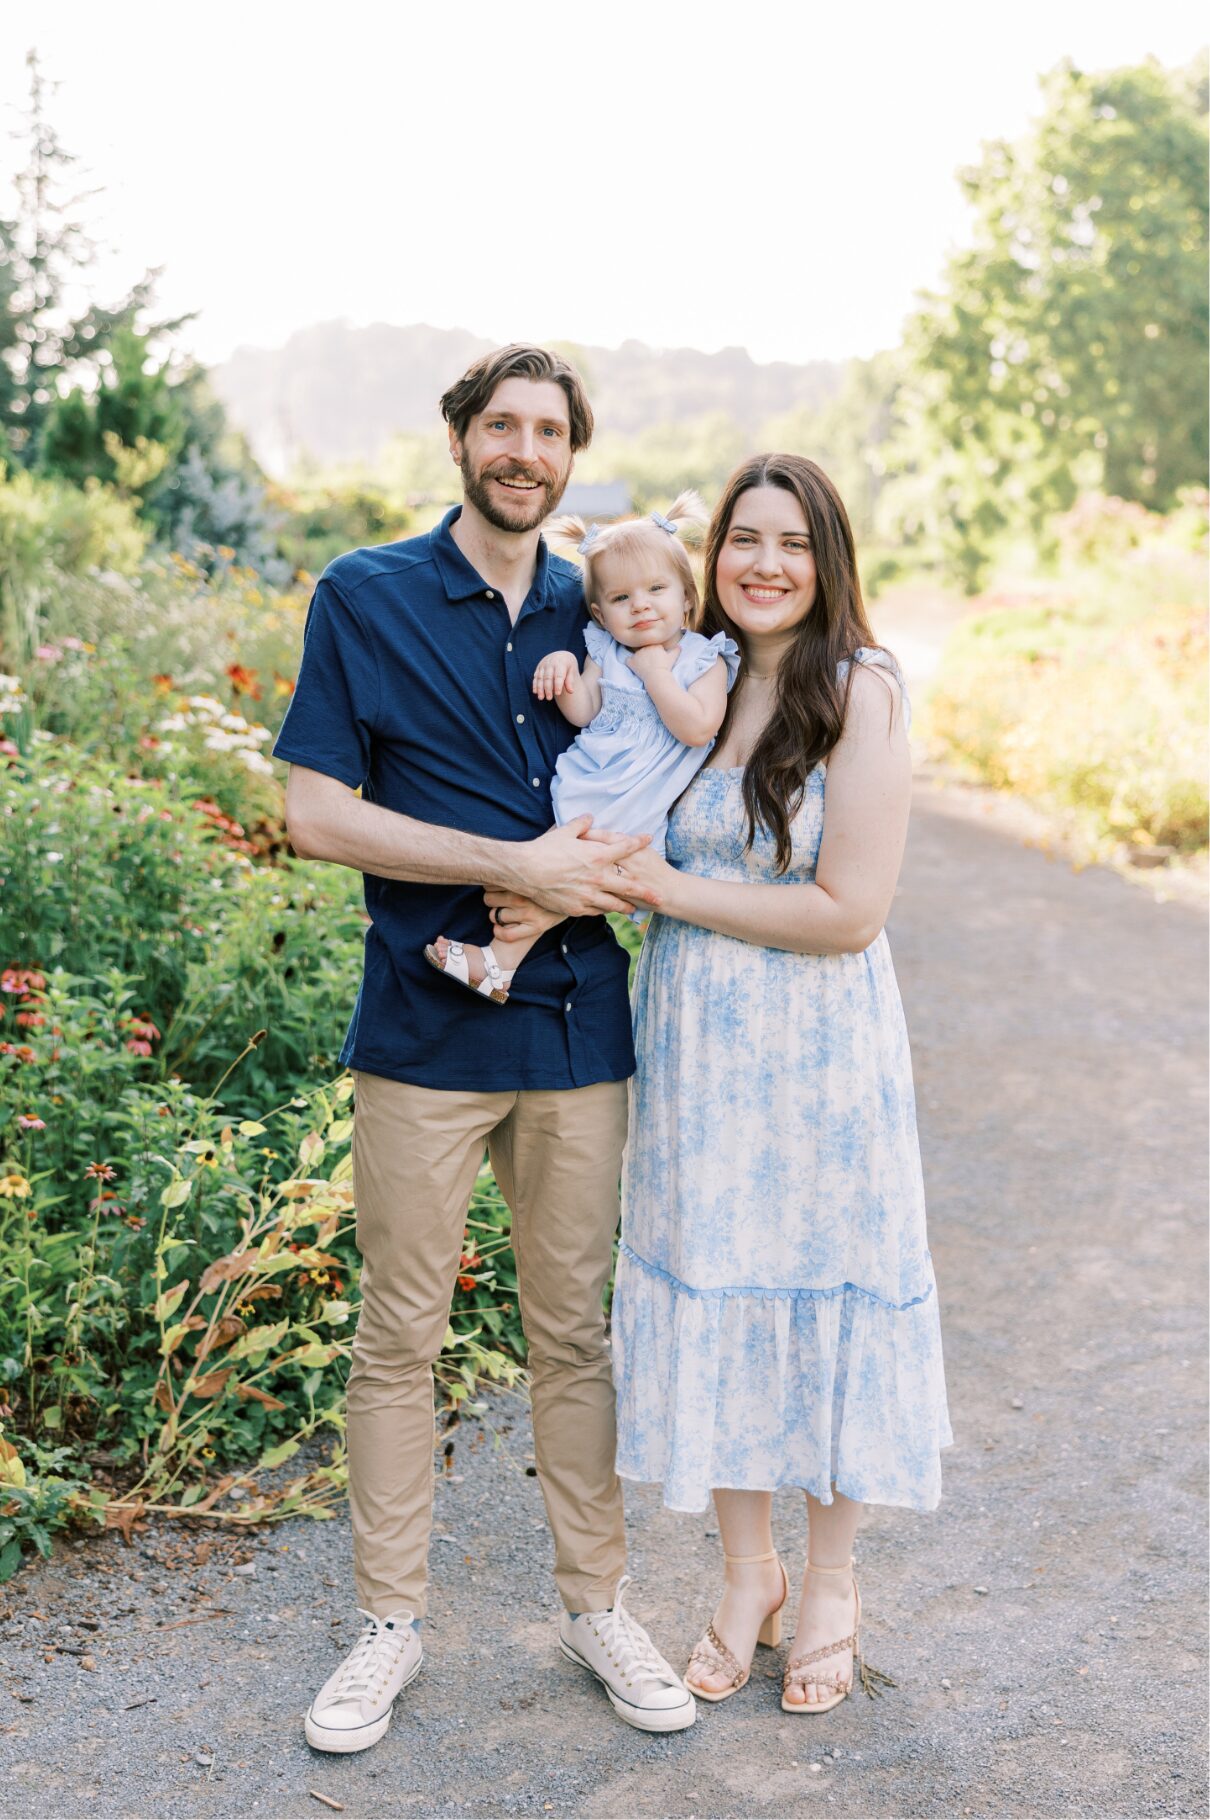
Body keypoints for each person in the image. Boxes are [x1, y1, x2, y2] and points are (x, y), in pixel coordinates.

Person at [274, 343, 697, 1752]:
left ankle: (599, 1606)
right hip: (422, 1025)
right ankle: (389, 1625)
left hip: (579, 1028)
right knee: (399, 1336)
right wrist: (507, 858)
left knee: (573, 1335)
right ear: (459, 439)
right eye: (502, 426)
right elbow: (316, 814)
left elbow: (716, 736)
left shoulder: (613, 604)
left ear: (571, 457)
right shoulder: (367, 596)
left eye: (550, 431)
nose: (525, 450)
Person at [603, 452, 952, 1713]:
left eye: (792, 543)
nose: (762, 563)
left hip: (818, 1051)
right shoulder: (689, 678)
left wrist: (665, 892)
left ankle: (835, 1581)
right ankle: (746, 1573)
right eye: (743, 538)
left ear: (829, 560)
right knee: (722, 1284)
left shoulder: (860, 688)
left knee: (826, 1286)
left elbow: (850, 910)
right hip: (699, 1047)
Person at [423, 492, 740, 1004]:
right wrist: (564, 671)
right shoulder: (605, 650)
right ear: (599, 611)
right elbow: (585, 710)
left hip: (640, 799)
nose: (640, 605)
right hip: (591, 782)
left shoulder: (705, 658)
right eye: (621, 598)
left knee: (564, 879)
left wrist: (657, 674)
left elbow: (698, 728)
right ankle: (501, 961)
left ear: (686, 597)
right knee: (558, 877)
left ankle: (498, 961)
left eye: (656, 589)